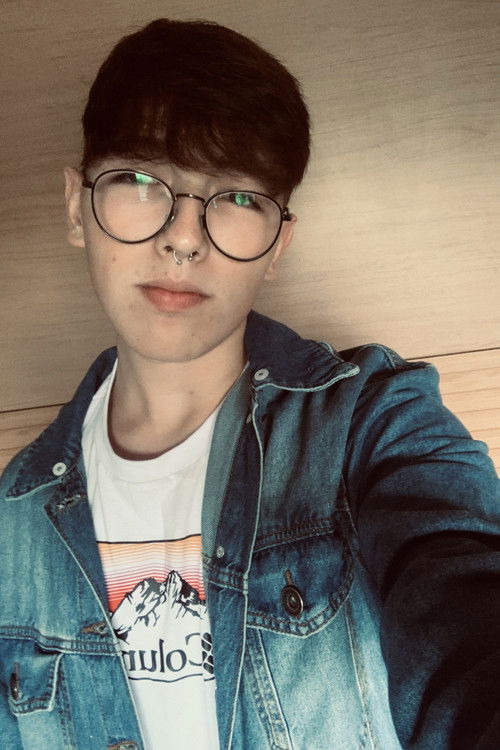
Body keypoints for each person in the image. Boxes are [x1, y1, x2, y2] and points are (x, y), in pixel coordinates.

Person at [0, 17, 499, 750]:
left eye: (237, 198)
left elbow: (462, 590)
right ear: (77, 206)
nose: (184, 237)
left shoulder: (371, 420)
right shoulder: (14, 520)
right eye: (140, 181)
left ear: (277, 244)